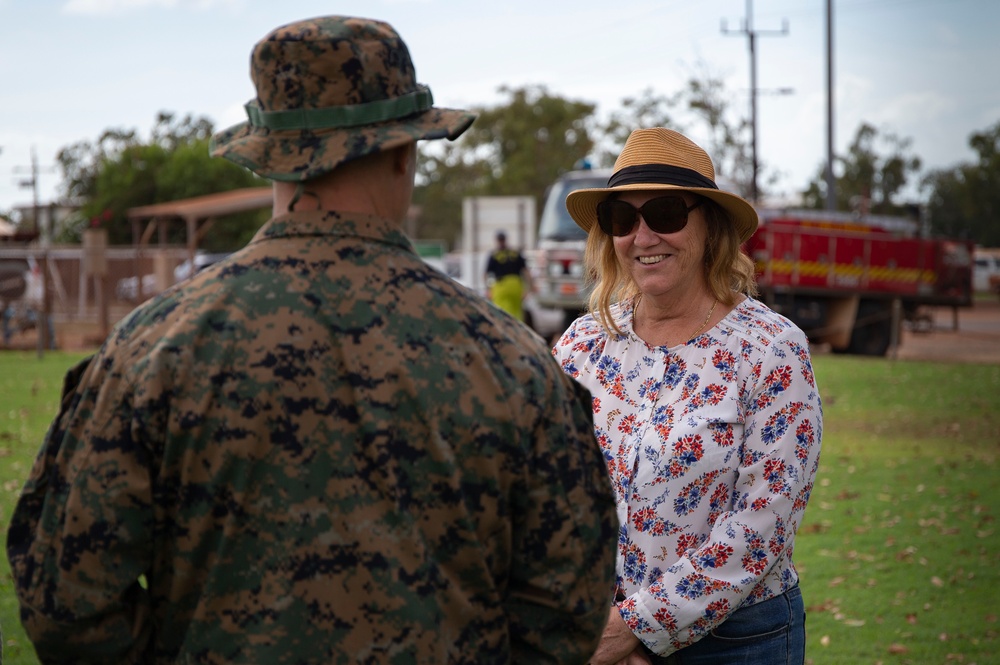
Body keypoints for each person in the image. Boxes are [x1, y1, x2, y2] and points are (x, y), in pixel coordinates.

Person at [6, 16, 618, 664]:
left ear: (269, 156)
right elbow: (566, 606)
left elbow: (65, 599)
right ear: (406, 152)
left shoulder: (151, 349)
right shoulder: (511, 360)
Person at [552, 127, 823, 664]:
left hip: (734, 643)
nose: (643, 236)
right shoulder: (582, 344)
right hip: (596, 634)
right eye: (623, 219)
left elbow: (763, 522)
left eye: (667, 213)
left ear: (710, 226)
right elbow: (547, 487)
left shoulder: (770, 349)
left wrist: (638, 628)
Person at [485, 230, 532, 320]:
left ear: (497, 241)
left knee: (501, 314)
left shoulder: (494, 255)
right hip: (516, 285)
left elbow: (486, 274)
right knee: (517, 314)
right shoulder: (515, 253)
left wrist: (488, 290)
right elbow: (526, 272)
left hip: (501, 287)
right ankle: (518, 332)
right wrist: (528, 288)